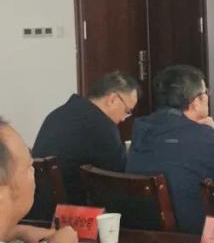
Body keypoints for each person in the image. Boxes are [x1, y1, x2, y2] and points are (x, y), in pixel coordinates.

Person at [127, 65, 214, 233]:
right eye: (206, 92)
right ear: (195, 103)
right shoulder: (200, 136)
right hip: (190, 234)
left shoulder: (141, 128)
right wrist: (208, 133)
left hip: (143, 230)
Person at [32, 71, 140, 204]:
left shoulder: (58, 114)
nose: (124, 118)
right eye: (127, 111)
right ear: (112, 99)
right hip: (73, 207)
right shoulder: (101, 125)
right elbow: (121, 176)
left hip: (40, 203)